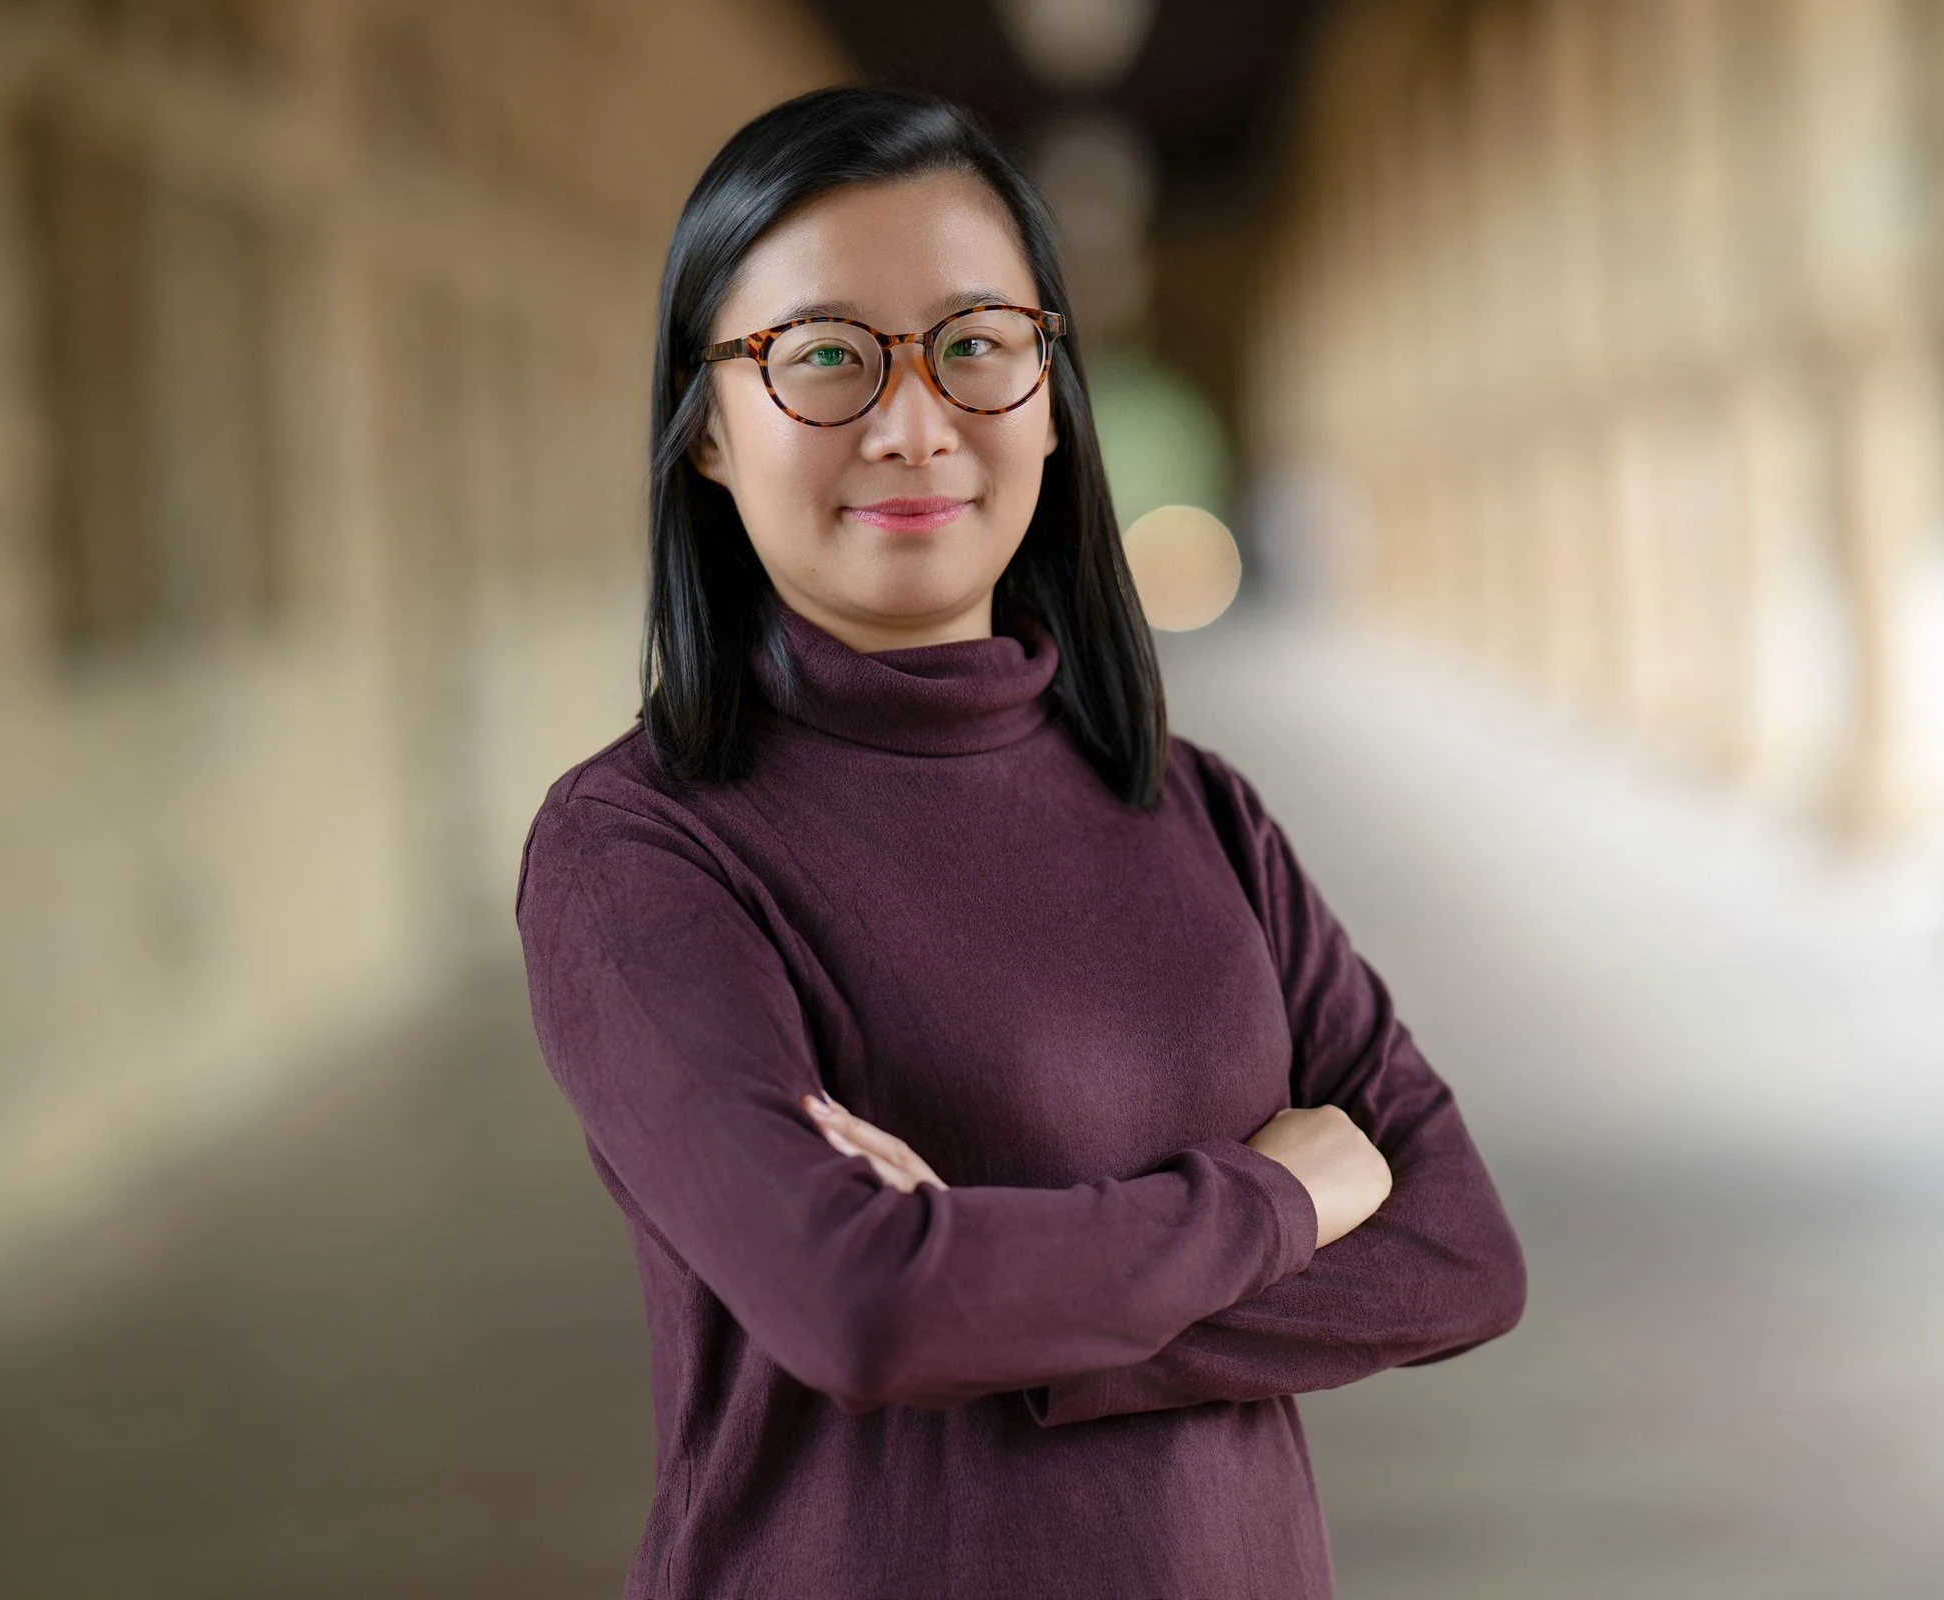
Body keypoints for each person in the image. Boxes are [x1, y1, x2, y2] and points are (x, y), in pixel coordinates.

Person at [513, 84, 1527, 1600]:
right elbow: (858, 1308)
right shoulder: (641, 853)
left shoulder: (1197, 809)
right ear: (706, 428)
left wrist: (991, 1279)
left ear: (1051, 394)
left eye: (976, 346)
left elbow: (1459, 1248)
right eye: (826, 360)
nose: (914, 422)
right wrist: (1280, 1199)